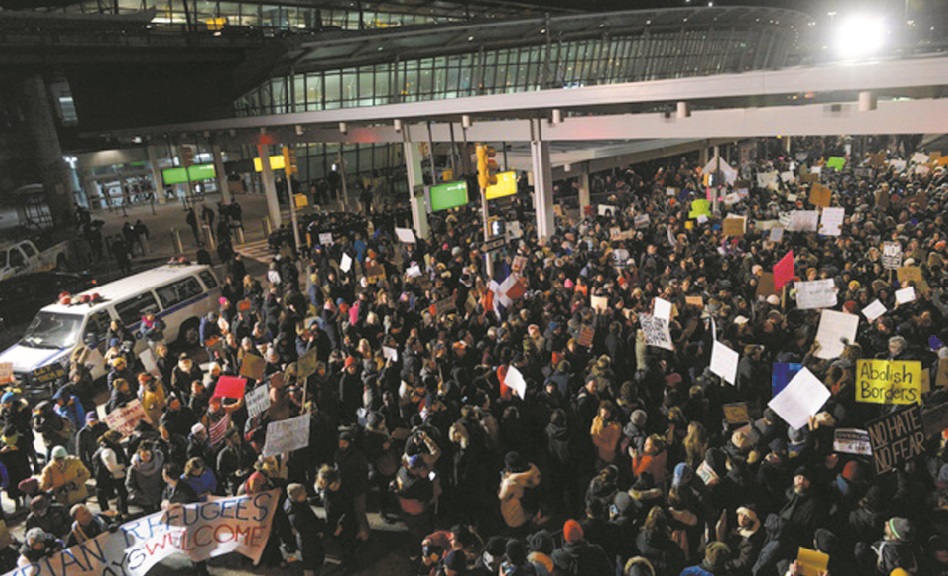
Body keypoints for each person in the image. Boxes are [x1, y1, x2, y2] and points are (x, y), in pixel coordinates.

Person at [285, 482, 326, 576]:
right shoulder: (296, 515)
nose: (306, 494)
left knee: (312, 561)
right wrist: (321, 525)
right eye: (303, 493)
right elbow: (309, 528)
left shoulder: (297, 504)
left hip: (309, 540)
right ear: (298, 496)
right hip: (308, 542)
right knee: (310, 564)